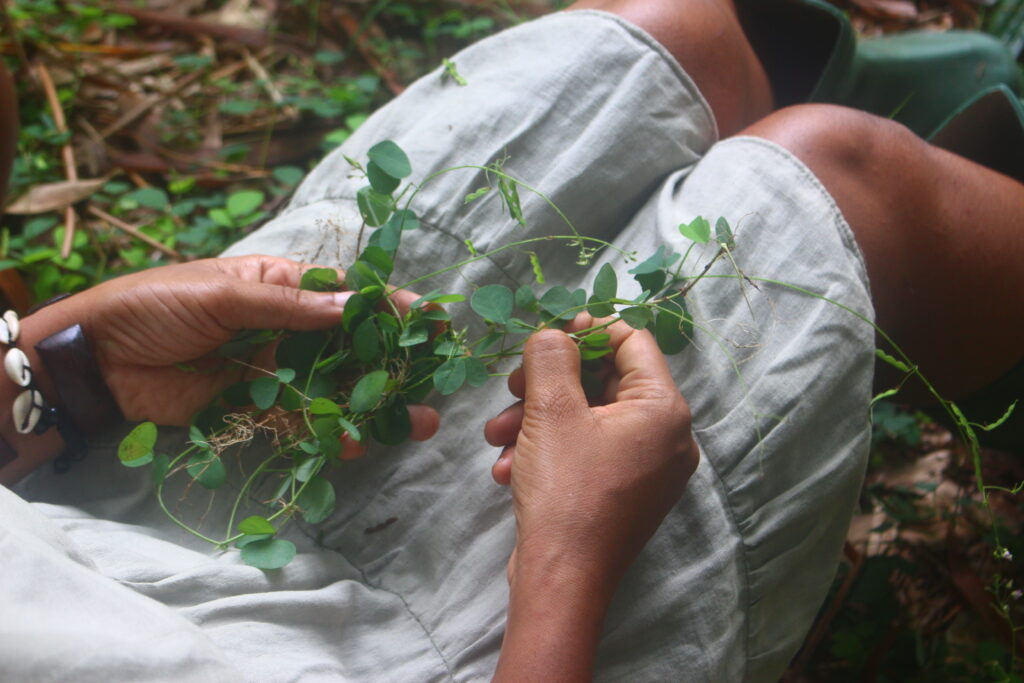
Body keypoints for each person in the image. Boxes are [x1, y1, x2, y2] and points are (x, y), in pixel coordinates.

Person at [0, 1, 1020, 681]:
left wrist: (66, 365)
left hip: (105, 491)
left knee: (663, 43)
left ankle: (933, 153)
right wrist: (569, 552)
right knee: (836, 180)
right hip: (444, 652)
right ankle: (943, 209)